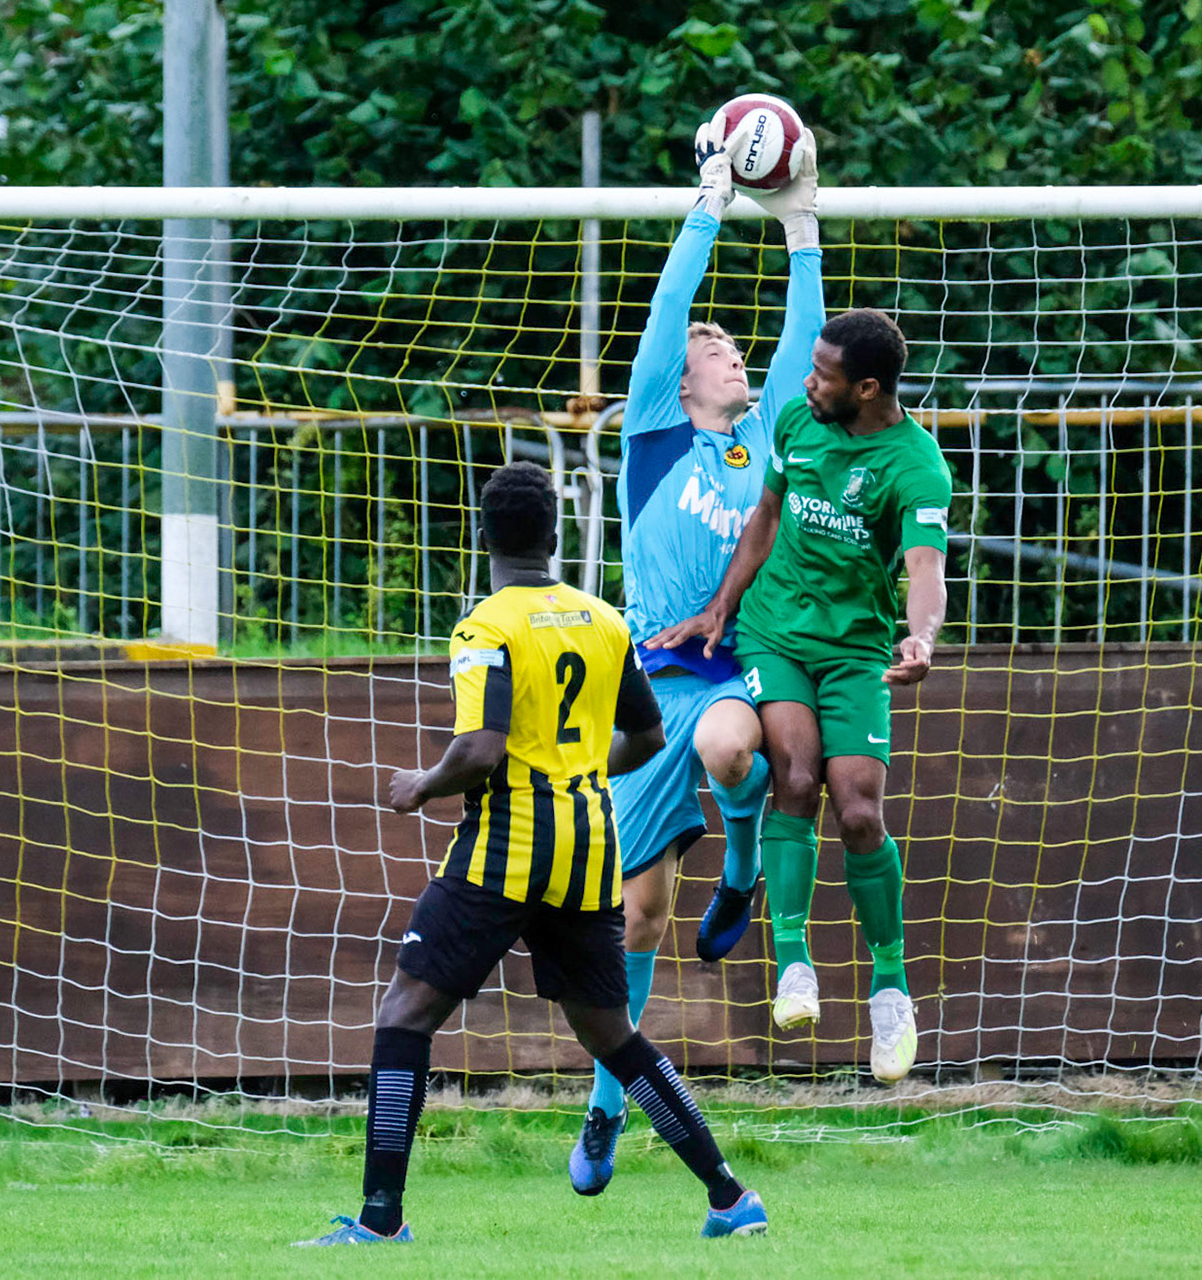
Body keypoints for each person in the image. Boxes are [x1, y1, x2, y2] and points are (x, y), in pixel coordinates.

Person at [297, 462, 768, 1246]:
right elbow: (648, 736)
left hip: (508, 846)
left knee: (405, 1015)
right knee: (613, 1034)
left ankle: (380, 1221)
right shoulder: (604, 621)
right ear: (553, 536)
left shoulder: (485, 628)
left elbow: (481, 750)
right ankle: (730, 1197)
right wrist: (574, 768)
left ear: (483, 536)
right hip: (589, 846)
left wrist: (421, 785)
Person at [570, 109, 825, 1194]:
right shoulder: (654, 439)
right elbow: (668, 314)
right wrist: (709, 209)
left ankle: (743, 867)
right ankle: (604, 1107)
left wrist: (801, 226)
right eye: (714, 349)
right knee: (636, 915)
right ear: (680, 379)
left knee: (735, 748)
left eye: (731, 346)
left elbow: (804, 341)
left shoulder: (764, 438)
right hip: (647, 693)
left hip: (730, 676)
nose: (729, 352)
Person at [650, 308, 951, 1084]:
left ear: (868, 388)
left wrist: (921, 638)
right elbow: (767, 516)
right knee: (794, 776)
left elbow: (925, 568)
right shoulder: (796, 423)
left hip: (855, 650)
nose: (807, 382)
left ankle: (892, 989)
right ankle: (793, 964)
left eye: (823, 374)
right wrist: (721, 605)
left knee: (858, 810)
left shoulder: (916, 465)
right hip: (775, 633)